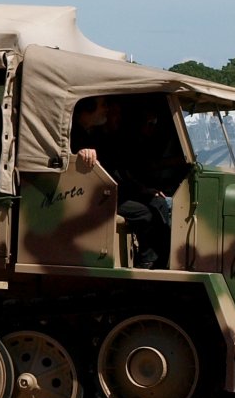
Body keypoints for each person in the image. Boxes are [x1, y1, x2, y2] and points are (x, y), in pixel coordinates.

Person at [70, 95, 178, 269]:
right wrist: (81, 153)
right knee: (146, 213)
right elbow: (74, 157)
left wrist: (142, 190)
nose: (106, 110)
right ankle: (148, 263)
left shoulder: (97, 136)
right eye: (103, 106)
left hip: (107, 191)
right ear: (87, 109)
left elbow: (117, 172)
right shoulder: (76, 134)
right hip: (92, 195)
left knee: (158, 203)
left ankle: (162, 259)